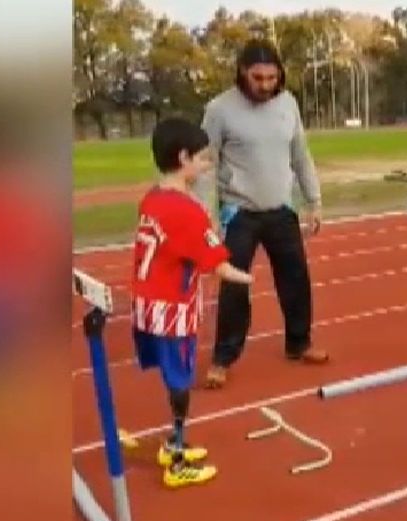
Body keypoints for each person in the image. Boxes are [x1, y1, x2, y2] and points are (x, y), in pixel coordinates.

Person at [197, 38, 330, 389]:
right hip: (238, 212)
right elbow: (205, 166)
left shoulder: (288, 103)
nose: (266, 85)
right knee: (234, 288)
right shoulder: (219, 109)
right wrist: (207, 217)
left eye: (272, 78)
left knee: (296, 279)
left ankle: (298, 343)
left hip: (281, 209)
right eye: (258, 78)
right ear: (242, 72)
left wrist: (313, 200)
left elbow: (301, 154)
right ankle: (224, 356)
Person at [131, 117, 254, 488]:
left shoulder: (153, 198)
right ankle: (177, 458)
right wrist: (244, 275)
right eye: (201, 159)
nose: (206, 165)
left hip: (149, 303)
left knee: (174, 377)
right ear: (183, 158)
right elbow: (218, 263)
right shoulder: (186, 209)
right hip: (171, 309)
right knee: (180, 380)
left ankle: (174, 442)